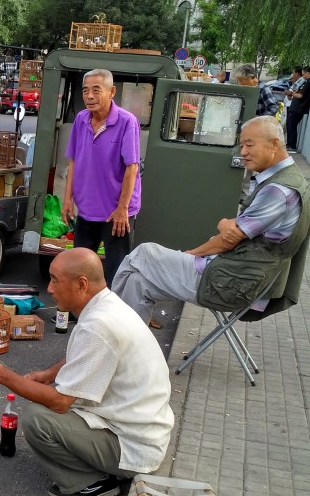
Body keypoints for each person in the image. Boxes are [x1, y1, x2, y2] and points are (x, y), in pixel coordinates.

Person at [0, 248, 174, 496]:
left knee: (36, 418)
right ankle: (99, 466)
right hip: (144, 432)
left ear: (81, 284)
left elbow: (59, 401)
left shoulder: (98, 327)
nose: (50, 289)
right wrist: (50, 373)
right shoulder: (107, 305)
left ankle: (91, 482)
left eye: (55, 280)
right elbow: (88, 356)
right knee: (46, 406)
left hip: (133, 447)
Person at [112, 116, 310, 323]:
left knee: (144, 254)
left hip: (230, 284)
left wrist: (192, 253)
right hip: (244, 279)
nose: (243, 152)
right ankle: (129, 344)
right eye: (242, 145)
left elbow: (229, 239)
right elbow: (235, 233)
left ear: (274, 144)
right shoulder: (294, 180)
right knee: (136, 281)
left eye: (249, 145)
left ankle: (107, 318)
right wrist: (227, 228)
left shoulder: (277, 191)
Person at [61, 68, 141, 287]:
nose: (89, 96)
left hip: (115, 212)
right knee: (80, 266)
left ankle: (111, 317)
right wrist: (68, 199)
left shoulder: (127, 122)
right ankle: (80, 315)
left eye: (96, 90)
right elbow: (74, 160)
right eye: (85, 90)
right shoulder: (81, 119)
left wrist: (122, 209)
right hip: (86, 208)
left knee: (116, 269)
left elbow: (131, 167)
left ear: (112, 91)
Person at [286, 66, 310, 151]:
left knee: (292, 127)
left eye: (303, 74)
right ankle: (289, 144)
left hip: (298, 108)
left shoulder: (307, 83)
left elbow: (300, 95)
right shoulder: (305, 82)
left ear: (308, 73)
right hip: (297, 108)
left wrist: (291, 93)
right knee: (290, 126)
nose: (303, 76)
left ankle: (292, 146)